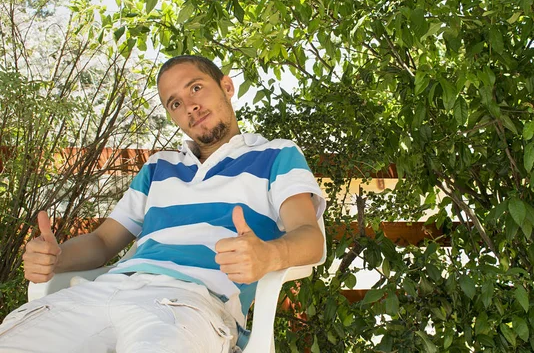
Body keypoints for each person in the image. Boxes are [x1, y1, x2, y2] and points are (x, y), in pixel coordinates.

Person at [0, 55, 326, 352]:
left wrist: (269, 255)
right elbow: (101, 242)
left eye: (196, 88)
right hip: (101, 292)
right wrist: (56, 258)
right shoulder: (159, 167)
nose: (190, 106)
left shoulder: (276, 156)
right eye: (175, 103)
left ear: (226, 86)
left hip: (187, 304)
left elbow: (310, 237)